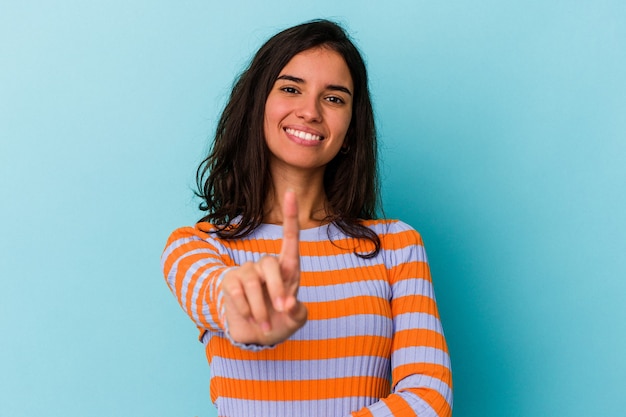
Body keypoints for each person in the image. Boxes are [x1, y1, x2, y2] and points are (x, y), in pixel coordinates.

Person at [161, 19, 452, 417]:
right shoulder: (199, 246)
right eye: (291, 89)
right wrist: (242, 308)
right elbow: (213, 291)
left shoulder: (397, 247)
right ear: (257, 105)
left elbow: (428, 398)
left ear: (350, 129)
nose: (310, 111)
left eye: (334, 99)